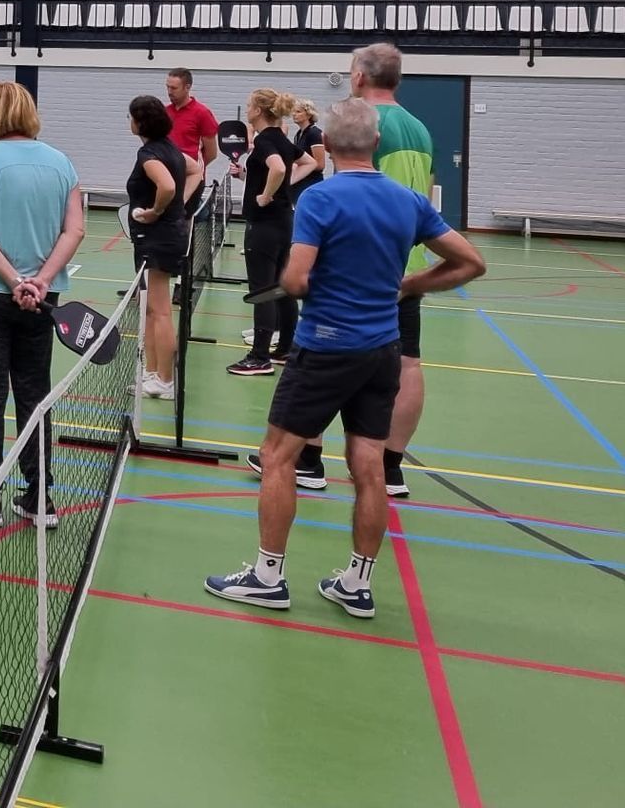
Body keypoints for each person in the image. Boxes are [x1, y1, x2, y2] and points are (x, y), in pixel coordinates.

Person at [205, 98, 483, 618]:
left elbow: (293, 279)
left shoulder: (320, 199)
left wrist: (307, 280)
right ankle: (357, 584)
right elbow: (471, 262)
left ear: (327, 147)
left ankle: (268, 576)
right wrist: (410, 285)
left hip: (327, 347)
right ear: (376, 145)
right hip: (382, 351)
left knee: (278, 456)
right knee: (369, 466)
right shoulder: (408, 200)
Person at [0, 82, 84, 526]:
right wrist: (42, 281)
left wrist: (14, 280)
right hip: (42, 302)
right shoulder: (63, 164)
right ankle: (40, 498)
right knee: (34, 395)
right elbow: (75, 231)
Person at [354, 43, 438, 499]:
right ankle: (391, 467)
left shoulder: (362, 123)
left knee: (325, 356)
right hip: (408, 265)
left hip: (365, 264)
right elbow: (424, 200)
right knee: (408, 362)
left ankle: (305, 456)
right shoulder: (422, 129)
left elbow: (354, 193)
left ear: (361, 77)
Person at [128, 95, 201, 400]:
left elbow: (168, 186)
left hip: (159, 238)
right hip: (163, 235)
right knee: (150, 310)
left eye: (131, 116)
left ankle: (166, 381)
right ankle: (152, 374)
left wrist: (157, 211)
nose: (128, 122)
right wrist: (178, 208)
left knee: (160, 312)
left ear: (142, 121)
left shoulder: (149, 154)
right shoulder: (170, 149)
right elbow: (196, 170)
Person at [228, 88, 303, 377]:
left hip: (264, 226)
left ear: (258, 111)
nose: (247, 110)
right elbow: (306, 162)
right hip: (284, 223)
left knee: (262, 290)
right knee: (281, 287)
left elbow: (278, 167)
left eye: (249, 106)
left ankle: (259, 357)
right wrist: (250, 178)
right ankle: (286, 348)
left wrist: (266, 194)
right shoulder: (281, 139)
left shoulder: (263, 143)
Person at [164, 68, 219, 206]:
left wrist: (191, 170)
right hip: (166, 177)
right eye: (168, 87)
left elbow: (212, 153)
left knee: (184, 221)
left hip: (190, 180)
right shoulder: (164, 112)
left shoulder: (202, 113)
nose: (170, 92)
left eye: (174, 88)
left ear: (187, 87)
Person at [290, 99, 326, 192]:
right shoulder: (298, 134)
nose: (294, 114)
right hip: (299, 182)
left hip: (311, 184)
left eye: (298, 112)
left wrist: (300, 163)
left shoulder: (314, 133)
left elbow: (320, 164)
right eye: (293, 112)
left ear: (309, 114)